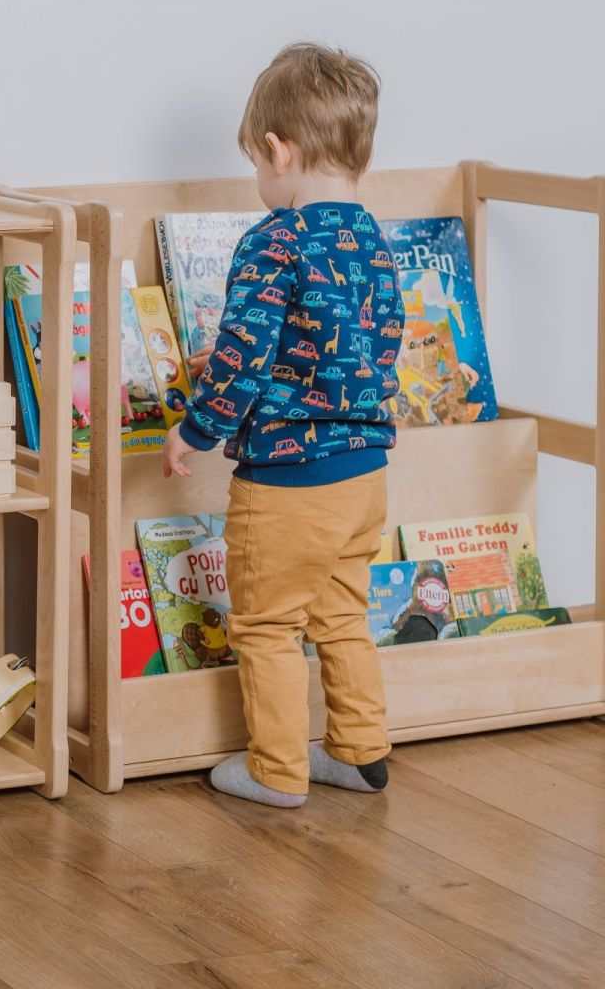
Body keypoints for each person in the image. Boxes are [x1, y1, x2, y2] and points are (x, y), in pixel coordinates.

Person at [162, 43, 404, 808]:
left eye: (258, 163)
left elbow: (245, 355)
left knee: (265, 627)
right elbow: (380, 342)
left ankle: (274, 767)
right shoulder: (372, 239)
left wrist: (197, 430)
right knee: (342, 616)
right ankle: (361, 752)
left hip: (288, 483)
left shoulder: (275, 239)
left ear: (278, 149)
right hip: (364, 472)